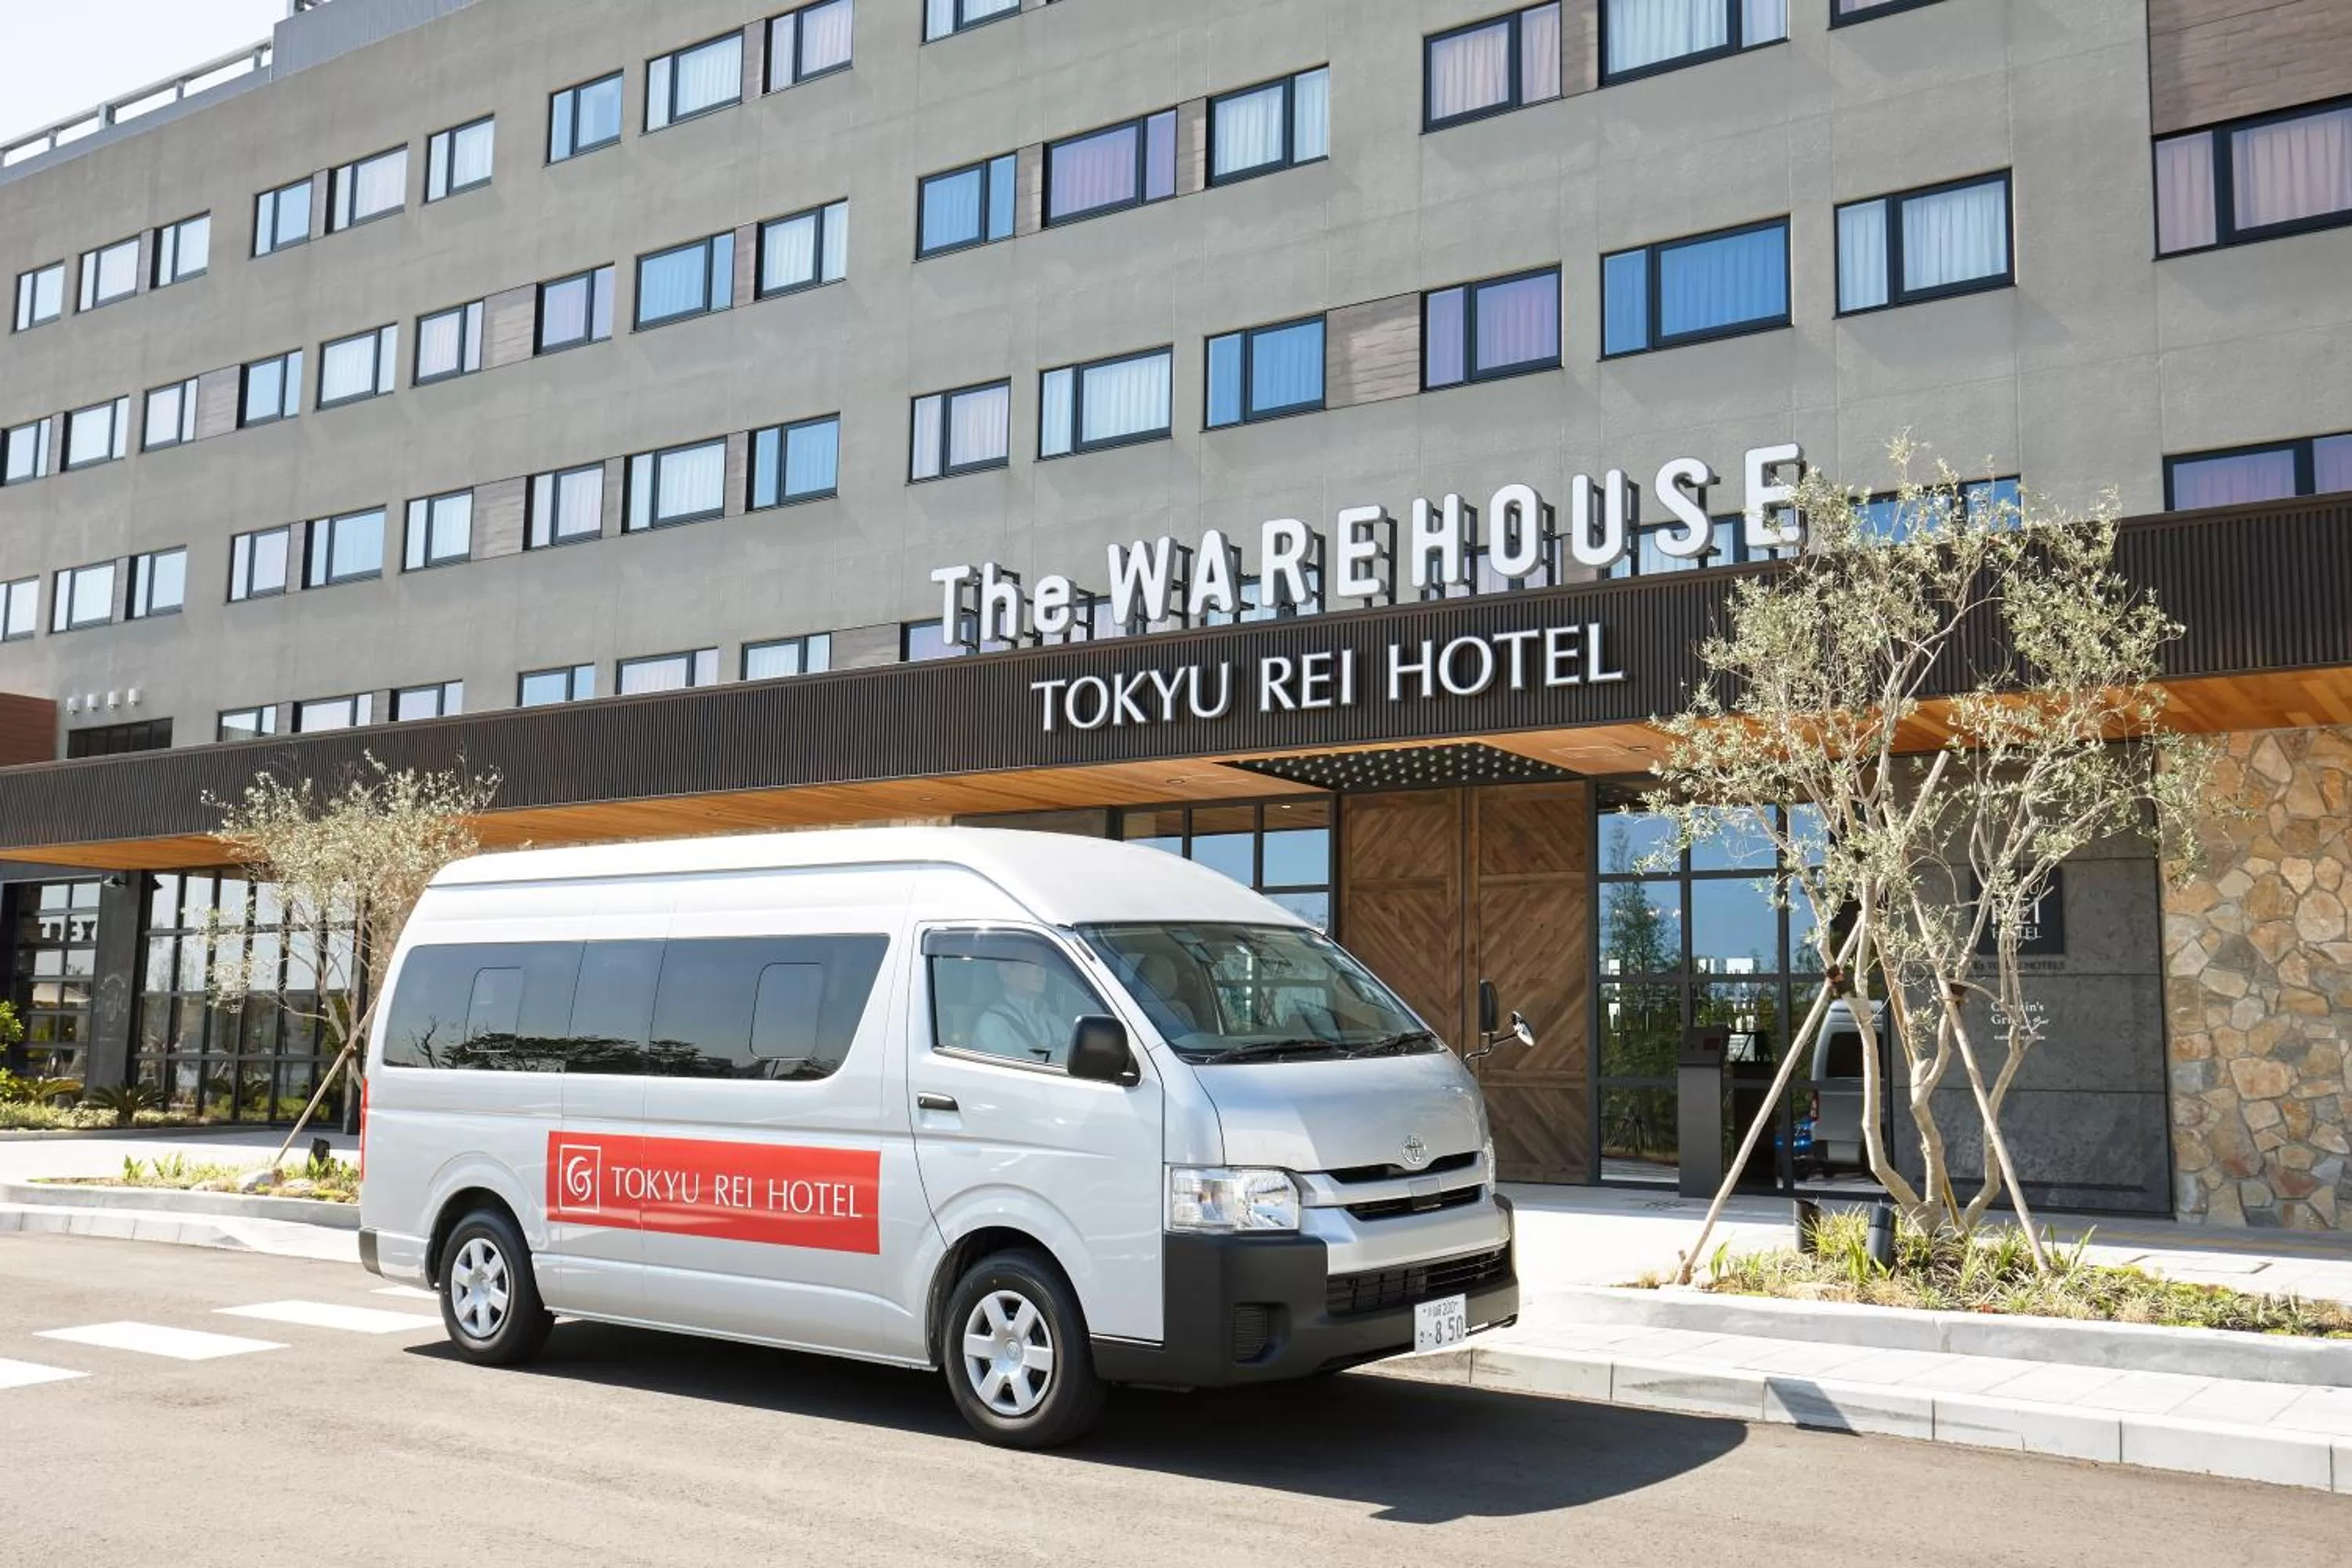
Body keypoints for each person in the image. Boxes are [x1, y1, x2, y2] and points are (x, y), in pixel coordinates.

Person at [972, 958, 1064, 1063]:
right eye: (1030, 963)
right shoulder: (992, 1025)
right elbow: (1009, 1075)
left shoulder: (1055, 1022)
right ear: (1005, 973)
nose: (1040, 970)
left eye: (1042, 964)